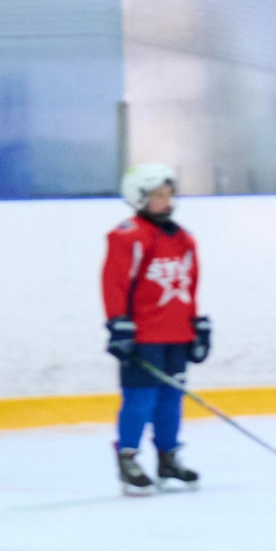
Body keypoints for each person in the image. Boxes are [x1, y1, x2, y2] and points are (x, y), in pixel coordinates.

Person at [102, 162, 211, 495]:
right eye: (157, 196)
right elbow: (114, 282)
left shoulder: (183, 238)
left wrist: (196, 324)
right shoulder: (128, 235)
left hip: (176, 333)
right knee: (140, 397)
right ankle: (128, 458)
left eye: (169, 194)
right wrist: (118, 324)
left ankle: (167, 457)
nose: (166, 201)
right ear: (138, 199)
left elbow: (188, 284)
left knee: (171, 398)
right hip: (143, 335)